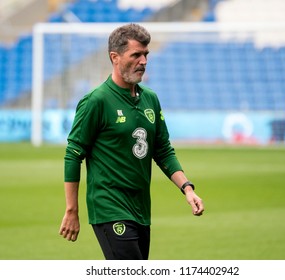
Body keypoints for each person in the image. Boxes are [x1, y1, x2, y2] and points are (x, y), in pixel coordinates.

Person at [59, 23, 204, 260]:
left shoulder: (151, 99)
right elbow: (73, 155)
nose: (144, 61)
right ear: (114, 57)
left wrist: (187, 188)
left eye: (146, 54)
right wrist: (71, 210)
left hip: (141, 210)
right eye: (136, 54)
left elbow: (163, 150)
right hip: (110, 208)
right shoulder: (96, 101)